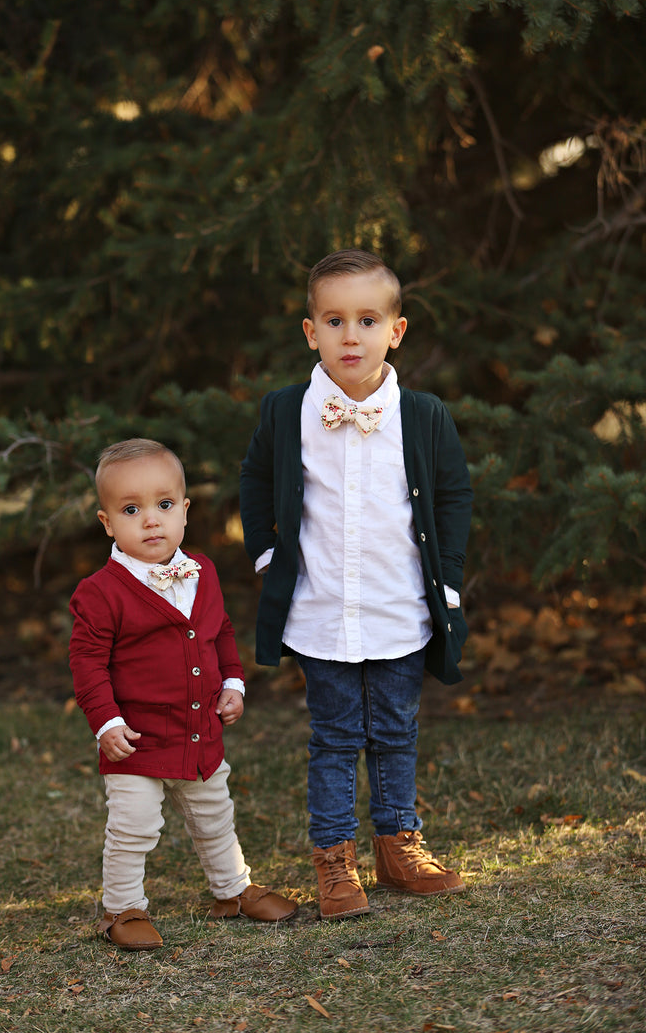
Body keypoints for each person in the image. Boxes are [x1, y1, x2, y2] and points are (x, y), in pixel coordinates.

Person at [240, 249, 472, 920]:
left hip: (399, 608)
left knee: (397, 729)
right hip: (320, 612)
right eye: (334, 320)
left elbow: (453, 496)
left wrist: (447, 585)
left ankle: (400, 846)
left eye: (367, 320)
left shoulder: (423, 417)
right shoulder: (287, 412)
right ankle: (334, 861)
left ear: (395, 331)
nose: (351, 335)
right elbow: (255, 482)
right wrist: (266, 559)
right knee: (335, 737)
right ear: (310, 331)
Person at [70, 438, 297, 951]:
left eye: (164, 505)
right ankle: (123, 908)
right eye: (132, 510)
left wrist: (232, 683)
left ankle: (232, 889)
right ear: (107, 522)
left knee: (215, 814)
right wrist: (106, 722)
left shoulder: (202, 572)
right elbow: (87, 663)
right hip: (137, 740)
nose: (152, 521)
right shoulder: (101, 592)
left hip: (199, 732)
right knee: (134, 826)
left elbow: (218, 631)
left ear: (185, 511)